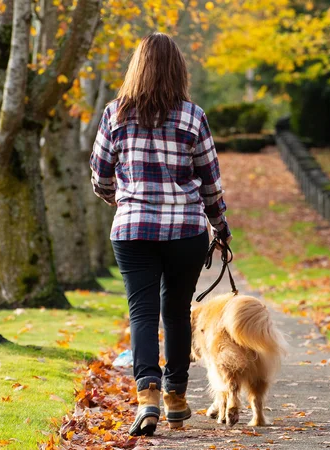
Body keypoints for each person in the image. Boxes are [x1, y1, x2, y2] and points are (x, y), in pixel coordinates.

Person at [89, 32, 231, 436]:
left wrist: (124, 200)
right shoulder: (193, 116)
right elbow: (210, 183)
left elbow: (99, 176)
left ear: (137, 67)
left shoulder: (114, 114)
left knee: (142, 311)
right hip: (185, 230)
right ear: (178, 70)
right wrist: (220, 227)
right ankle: (176, 398)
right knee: (176, 311)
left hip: (133, 230)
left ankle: (146, 395)